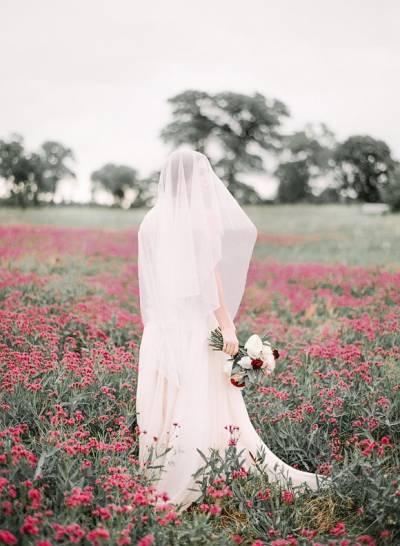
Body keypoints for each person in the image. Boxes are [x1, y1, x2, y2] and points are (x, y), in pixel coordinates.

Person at [136, 148, 331, 512]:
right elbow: (210, 282)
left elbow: (150, 279)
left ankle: (160, 473)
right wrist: (227, 325)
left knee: (166, 398)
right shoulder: (194, 221)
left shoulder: (150, 220)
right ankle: (199, 470)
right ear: (190, 180)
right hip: (195, 324)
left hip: (162, 327)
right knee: (199, 396)